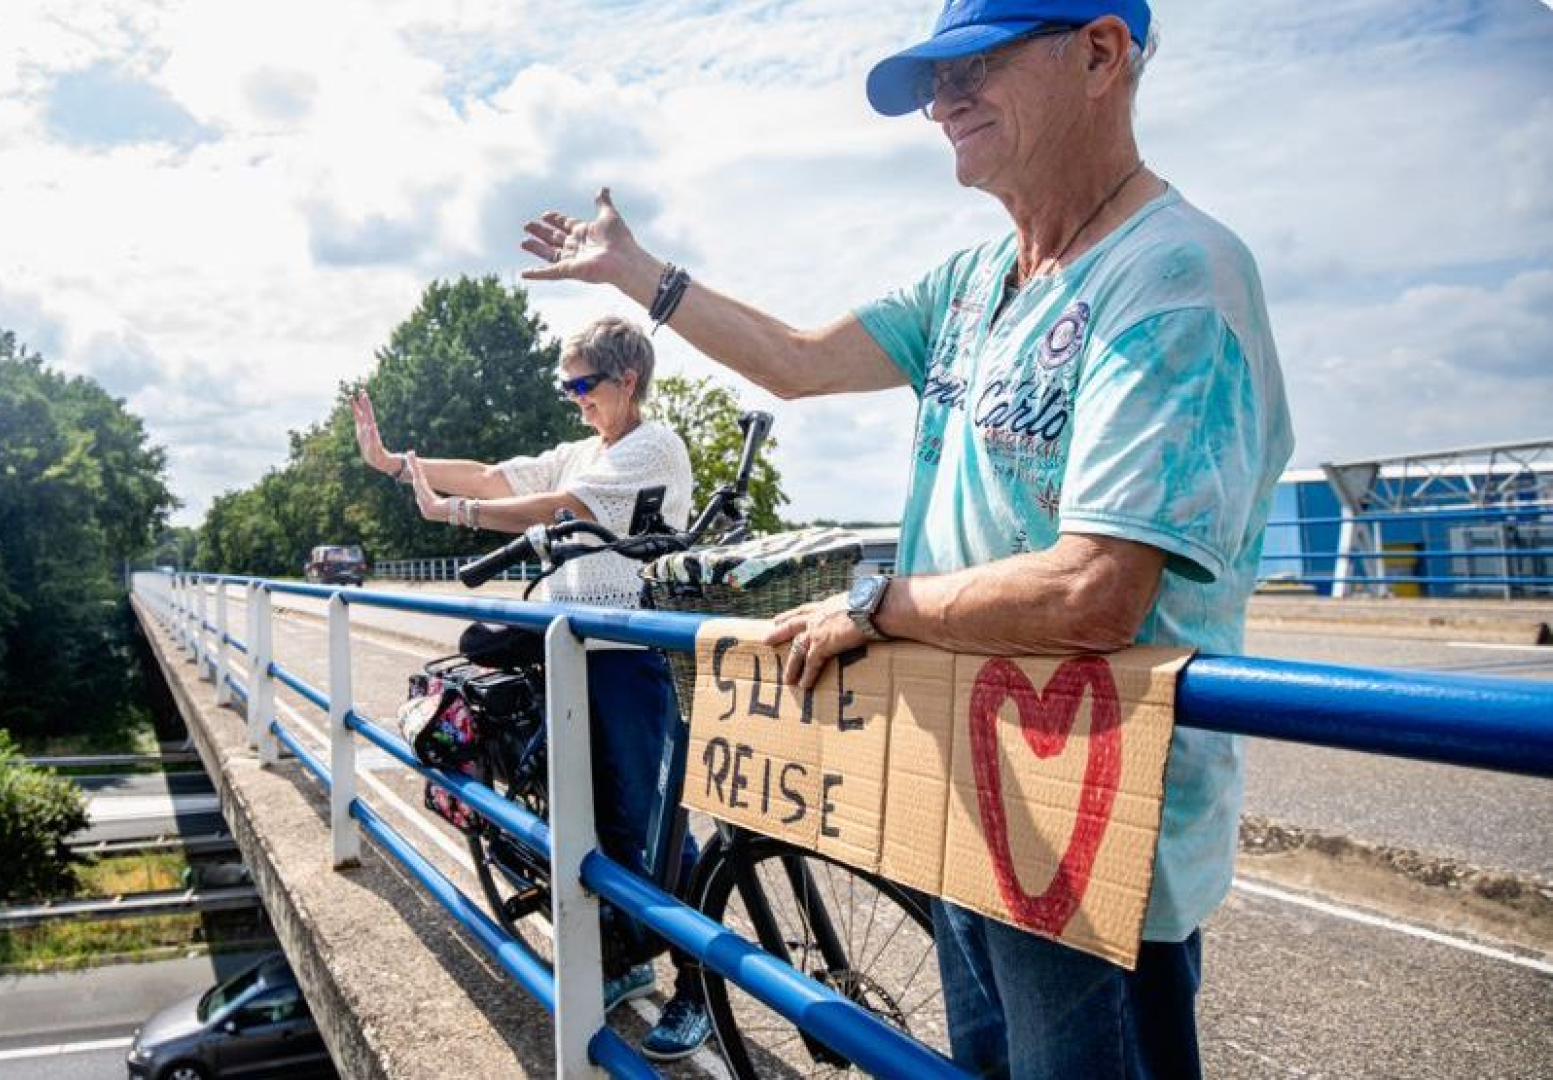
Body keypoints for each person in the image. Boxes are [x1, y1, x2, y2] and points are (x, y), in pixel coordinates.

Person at [517, 2, 1294, 1077]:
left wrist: (874, 606)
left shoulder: (1173, 275)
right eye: (933, 80)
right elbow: (794, 359)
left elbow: (1096, 589)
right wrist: (639, 275)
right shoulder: (975, 282)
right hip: (965, 787)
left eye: (975, 66)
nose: (942, 102)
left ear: (1102, 52)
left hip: (1090, 829)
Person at [352, 315, 716, 1061]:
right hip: (572, 649)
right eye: (567, 384)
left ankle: (697, 988)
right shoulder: (584, 445)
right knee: (584, 817)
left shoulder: (654, 446)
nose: (573, 398)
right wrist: (395, 463)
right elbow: (493, 477)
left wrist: (457, 515)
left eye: (584, 384)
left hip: (627, 653)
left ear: (629, 380)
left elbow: (565, 508)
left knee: (648, 829)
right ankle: (621, 957)